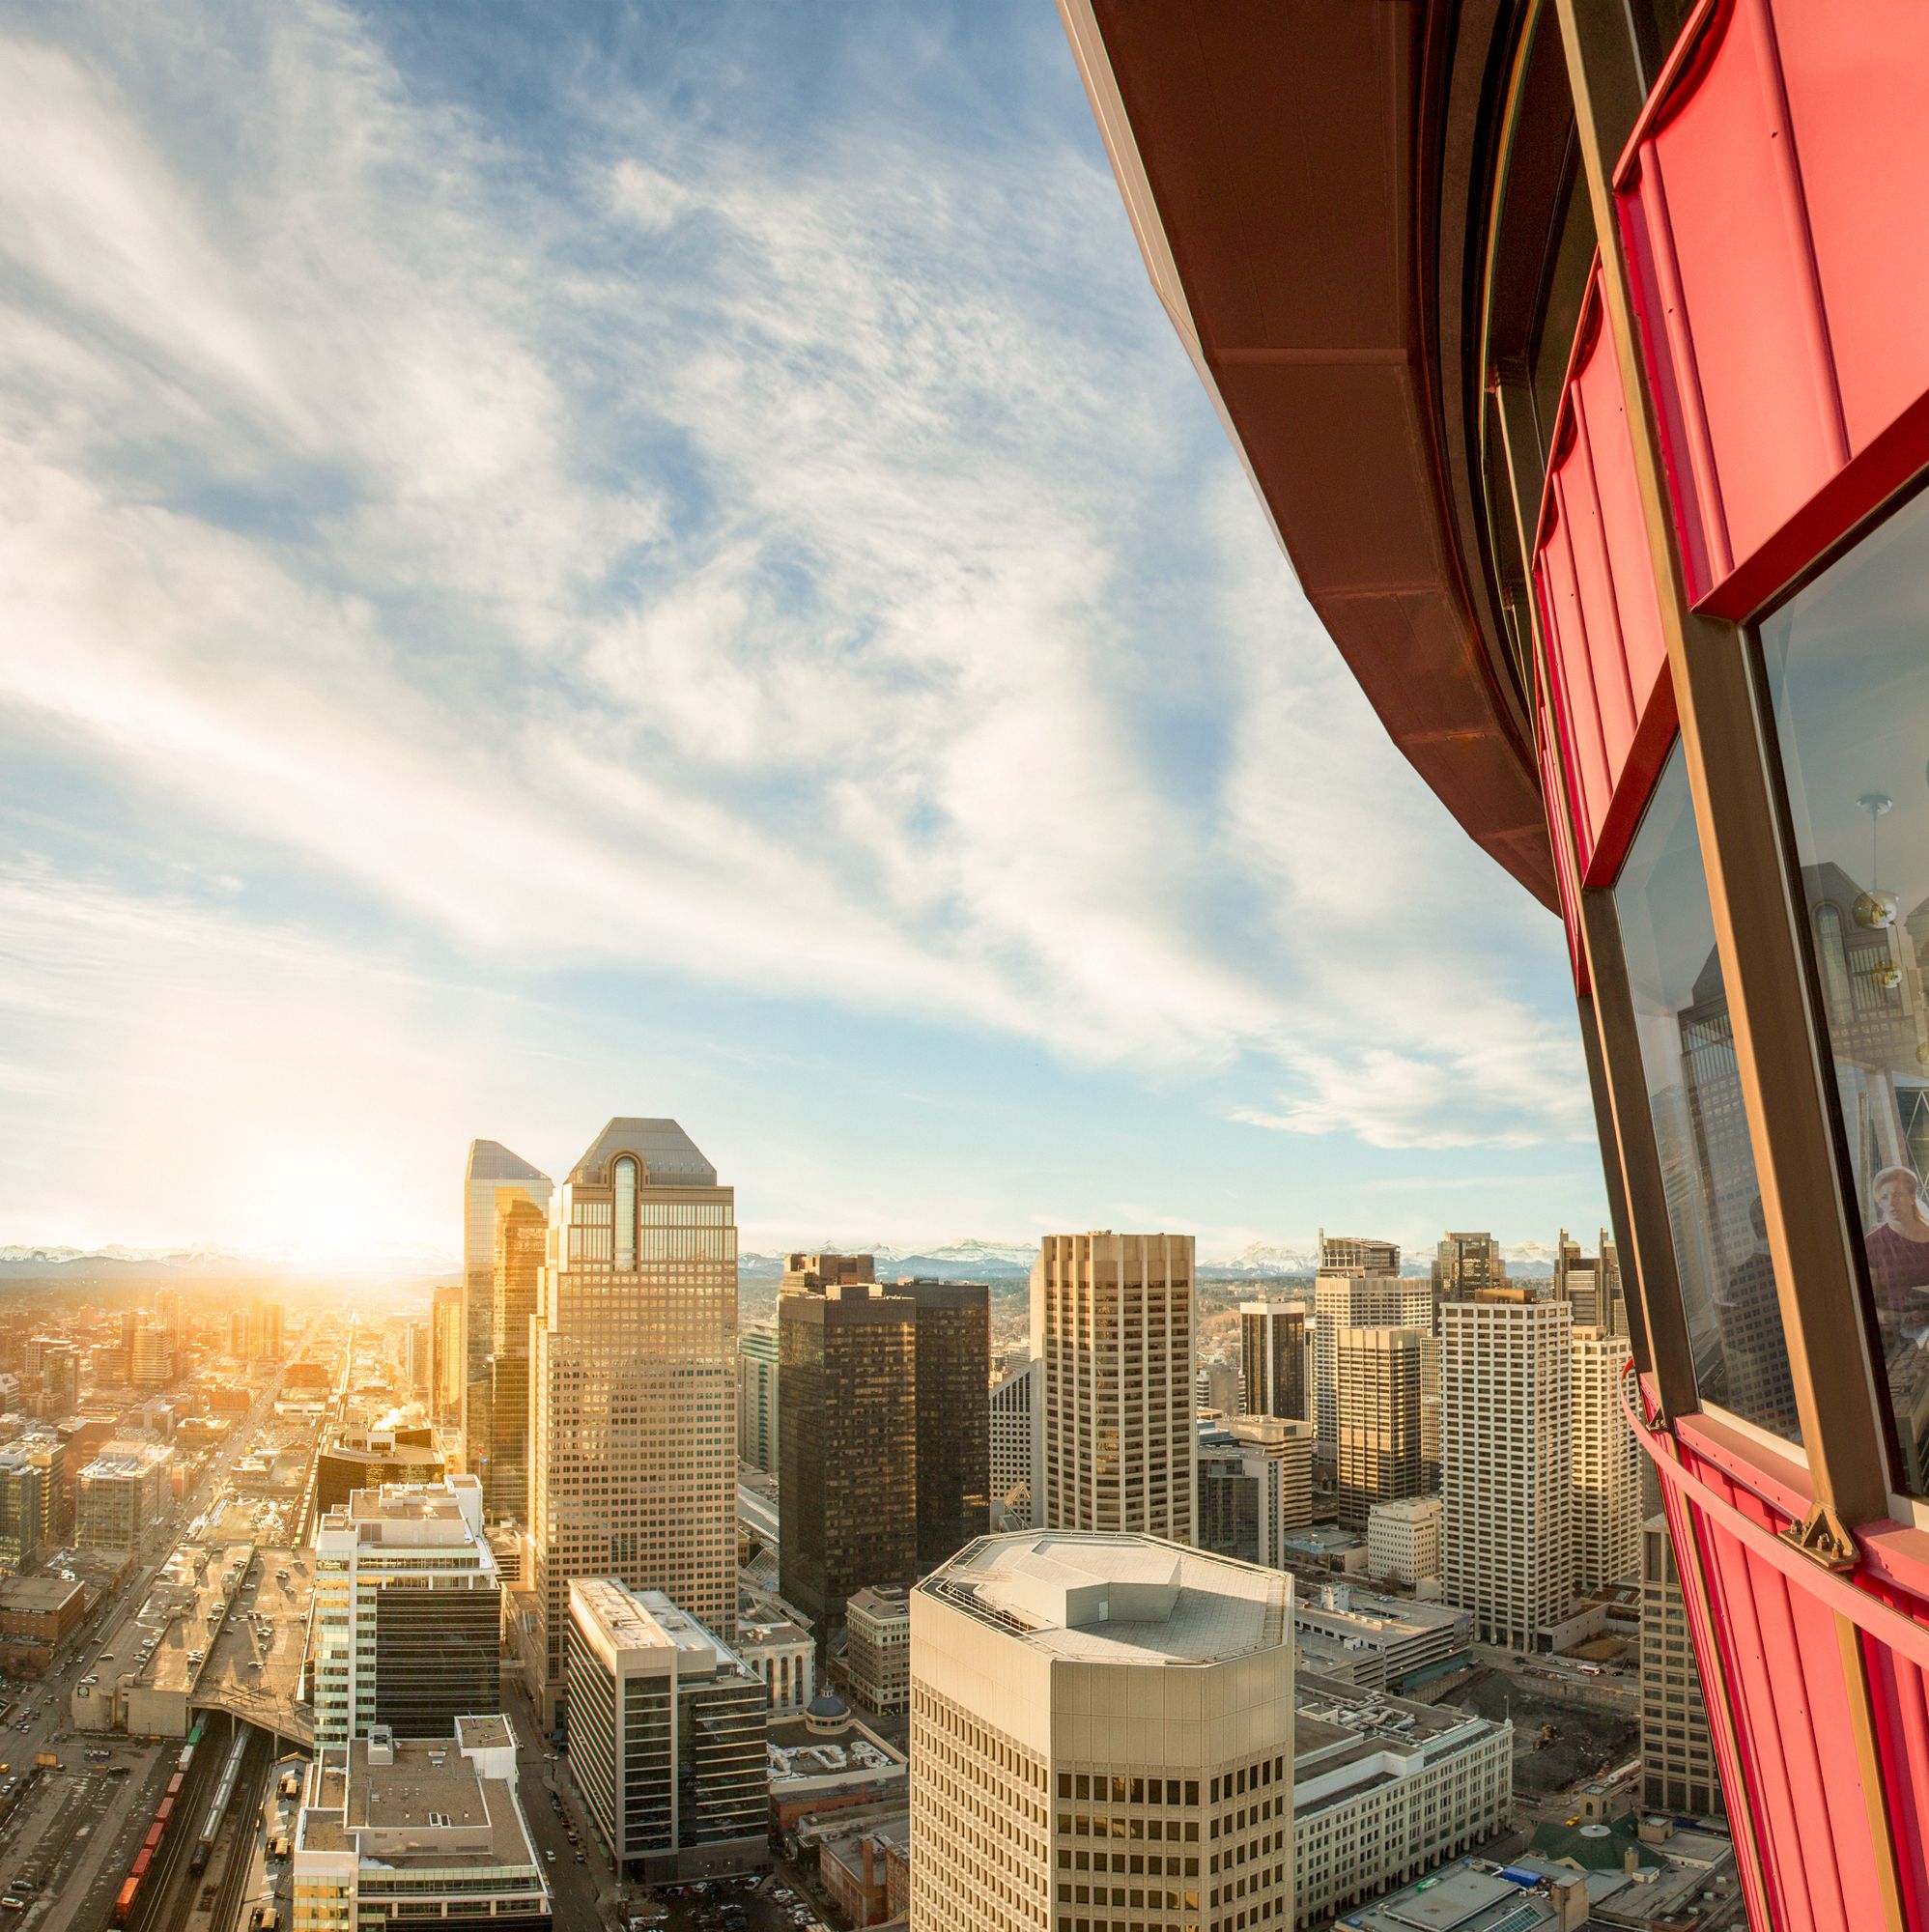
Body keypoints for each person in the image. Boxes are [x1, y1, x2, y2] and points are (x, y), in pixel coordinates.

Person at [1865, 1164, 1929, 1330]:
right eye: (1884, 1197)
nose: (1892, 1202)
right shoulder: (1873, 1243)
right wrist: (1897, 1317)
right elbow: (1865, 1303)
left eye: (1898, 1194)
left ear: (1912, 1196)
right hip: (1898, 1330)